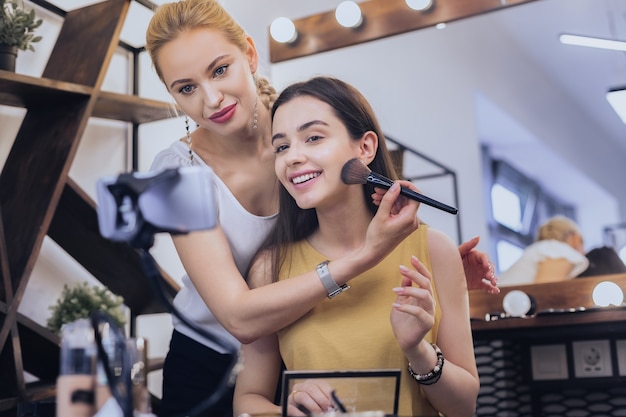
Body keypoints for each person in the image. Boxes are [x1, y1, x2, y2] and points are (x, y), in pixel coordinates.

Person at [145, 1, 493, 415]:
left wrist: (432, 272)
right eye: (186, 88)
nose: (211, 98)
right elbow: (240, 317)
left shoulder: (303, 124)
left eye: (220, 70)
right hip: (211, 354)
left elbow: (357, 213)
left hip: (301, 337)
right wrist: (371, 257)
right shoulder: (175, 174)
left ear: (250, 55)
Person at [233, 76, 479, 417]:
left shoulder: (433, 249)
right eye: (282, 147)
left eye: (313, 137)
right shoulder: (270, 267)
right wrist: (287, 413)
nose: (292, 157)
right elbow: (247, 401)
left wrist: (418, 350)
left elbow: (464, 408)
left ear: (364, 148)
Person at [498, 215, 589, 286]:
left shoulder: (544, 248)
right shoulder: (559, 250)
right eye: (582, 242)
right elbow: (546, 293)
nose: (584, 252)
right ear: (576, 238)